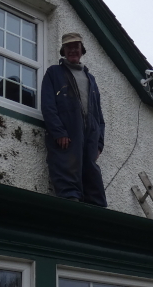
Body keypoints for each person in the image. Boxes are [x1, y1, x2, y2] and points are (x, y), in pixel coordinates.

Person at [41, 32, 106, 206]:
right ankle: (72, 207)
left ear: (81, 50)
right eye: (68, 47)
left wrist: (99, 143)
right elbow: (48, 106)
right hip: (68, 137)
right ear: (63, 51)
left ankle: (97, 214)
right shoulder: (54, 73)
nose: (72, 50)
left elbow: (99, 116)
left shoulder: (90, 79)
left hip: (90, 139)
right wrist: (58, 132)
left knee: (93, 182)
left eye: (75, 47)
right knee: (67, 177)